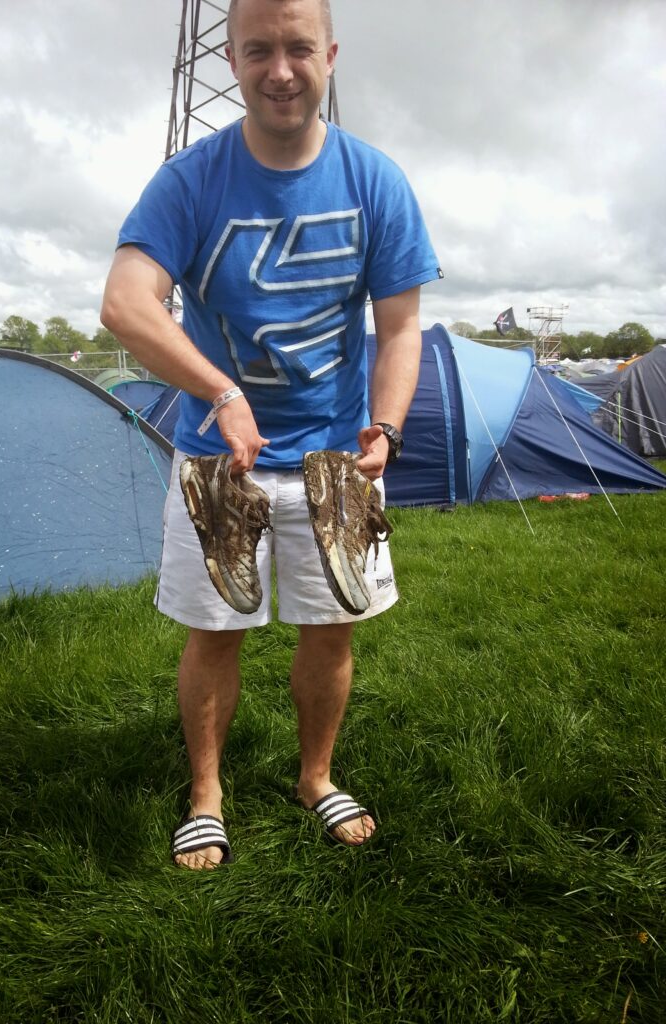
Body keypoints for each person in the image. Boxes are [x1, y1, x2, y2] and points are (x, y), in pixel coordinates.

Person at [101, 0, 441, 869]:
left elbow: (399, 329)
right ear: (231, 55)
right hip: (222, 461)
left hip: (337, 461)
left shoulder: (376, 181)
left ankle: (315, 778)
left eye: (298, 48)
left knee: (331, 631)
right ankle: (206, 794)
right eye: (259, 50)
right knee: (214, 632)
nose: (280, 69)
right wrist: (219, 391)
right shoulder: (190, 180)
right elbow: (125, 303)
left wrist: (390, 432)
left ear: (329, 55)